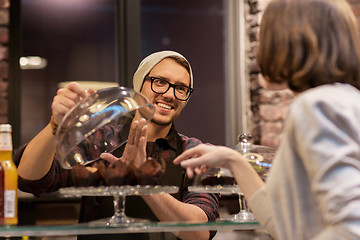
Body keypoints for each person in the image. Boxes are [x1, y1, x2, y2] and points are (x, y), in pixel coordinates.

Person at [174, 0, 360, 239]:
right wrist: (234, 160)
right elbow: (280, 224)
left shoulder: (316, 105)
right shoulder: (344, 100)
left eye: (266, 36)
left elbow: (352, 225)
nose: (258, 50)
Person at [14, 50, 220, 240]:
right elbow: (29, 179)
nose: (169, 94)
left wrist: (146, 183)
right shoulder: (99, 139)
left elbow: (199, 232)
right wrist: (55, 125)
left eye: (181, 88)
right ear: (140, 84)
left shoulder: (195, 153)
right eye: (159, 82)